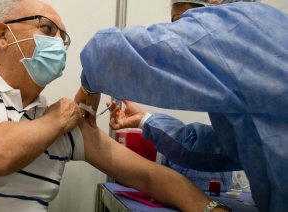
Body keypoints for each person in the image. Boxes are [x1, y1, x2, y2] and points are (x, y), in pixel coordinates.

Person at [0, 0, 225, 211]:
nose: (58, 43)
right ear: (3, 34)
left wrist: (212, 209)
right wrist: (58, 119)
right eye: (46, 29)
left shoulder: (66, 125)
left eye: (64, 37)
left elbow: (151, 177)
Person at [75, 0, 288, 211]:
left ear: (213, 2)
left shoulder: (229, 25)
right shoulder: (270, 26)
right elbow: (222, 148)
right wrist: (144, 120)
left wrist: (88, 88)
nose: (179, 31)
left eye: (182, 21)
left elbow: (106, 54)